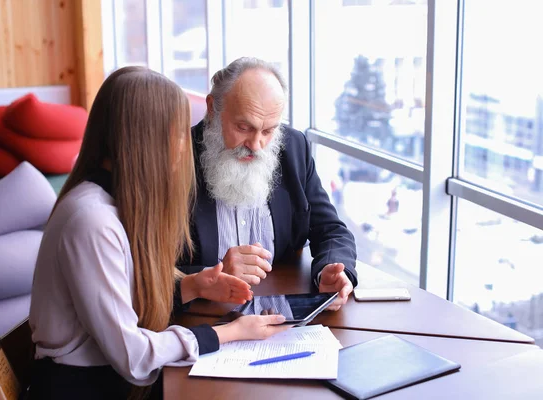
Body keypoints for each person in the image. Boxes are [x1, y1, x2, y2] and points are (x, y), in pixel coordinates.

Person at [28, 66, 290, 400]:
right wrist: (227, 333)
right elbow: (134, 358)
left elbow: (118, 300)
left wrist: (192, 286)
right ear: (146, 140)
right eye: (180, 133)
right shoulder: (91, 221)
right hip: (86, 387)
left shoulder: (111, 202)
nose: (186, 146)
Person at [178, 57, 358, 311]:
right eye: (243, 127)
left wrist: (330, 271)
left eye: (268, 131)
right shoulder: (175, 160)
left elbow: (331, 230)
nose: (256, 144)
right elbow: (147, 269)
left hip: (282, 311)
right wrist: (209, 276)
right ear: (212, 109)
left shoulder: (293, 148)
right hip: (202, 317)